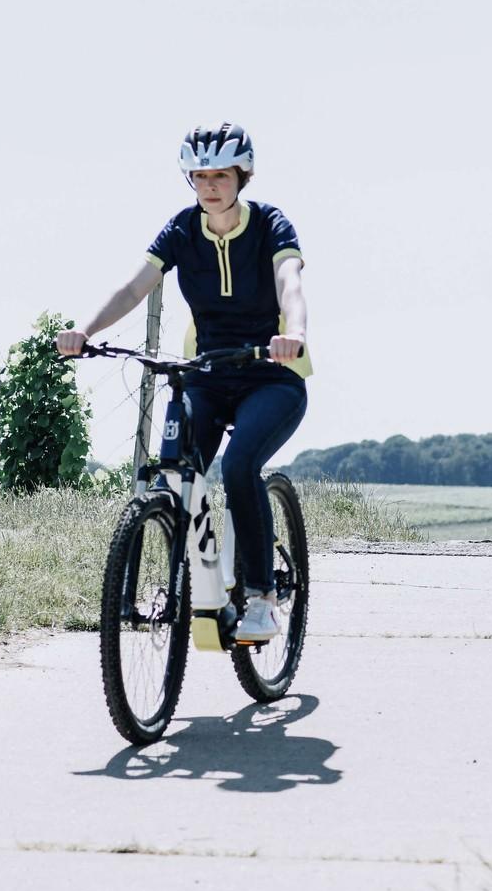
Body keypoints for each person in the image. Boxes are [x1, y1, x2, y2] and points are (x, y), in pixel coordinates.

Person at [56, 124, 308, 641]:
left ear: (243, 176)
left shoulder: (270, 225)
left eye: (221, 174)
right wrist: (85, 329)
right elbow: (133, 287)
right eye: (200, 176)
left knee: (240, 466)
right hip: (208, 373)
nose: (210, 185)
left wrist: (295, 331)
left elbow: (290, 282)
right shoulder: (182, 230)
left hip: (272, 373)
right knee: (174, 470)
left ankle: (261, 595)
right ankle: (191, 581)